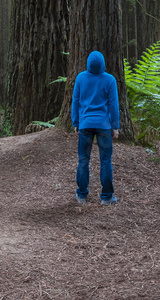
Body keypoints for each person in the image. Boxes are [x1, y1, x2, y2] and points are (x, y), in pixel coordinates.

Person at [70, 50, 120, 205]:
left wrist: (76, 123)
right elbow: (113, 105)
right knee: (105, 161)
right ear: (103, 64)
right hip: (104, 126)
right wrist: (115, 126)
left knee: (83, 160)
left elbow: (76, 101)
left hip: (85, 124)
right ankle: (106, 197)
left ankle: (82, 195)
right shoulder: (109, 80)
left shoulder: (81, 78)